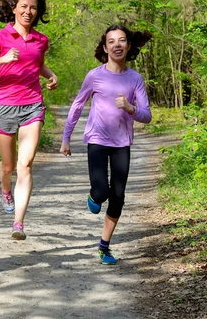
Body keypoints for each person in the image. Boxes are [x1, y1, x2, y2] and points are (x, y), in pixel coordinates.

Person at [59, 25, 153, 265]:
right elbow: (78, 105)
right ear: (105, 47)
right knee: (102, 192)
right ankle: (94, 195)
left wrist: (131, 108)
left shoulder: (135, 78)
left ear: (129, 46)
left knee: (118, 196)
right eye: (112, 41)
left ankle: (104, 247)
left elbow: (147, 115)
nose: (117, 45)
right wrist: (66, 137)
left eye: (122, 41)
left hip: (122, 143)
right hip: (98, 140)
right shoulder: (95, 76)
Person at [0, 0, 58, 240]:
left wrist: (51, 75)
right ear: (13, 8)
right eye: (23, 6)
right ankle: (4, 187)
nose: (28, 11)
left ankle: (18, 222)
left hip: (32, 104)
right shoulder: (0, 37)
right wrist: (2, 60)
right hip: (5, 105)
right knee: (9, 165)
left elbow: (38, 64)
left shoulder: (41, 40)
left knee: (25, 165)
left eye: (33, 7)